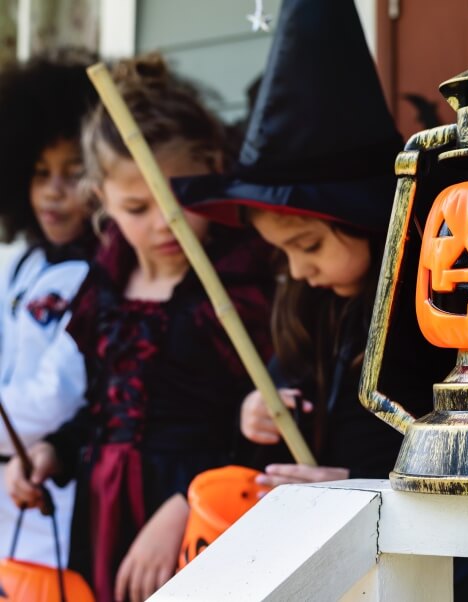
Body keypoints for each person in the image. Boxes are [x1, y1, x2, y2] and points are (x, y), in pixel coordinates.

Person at [6, 54, 273, 602]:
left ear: (213, 169)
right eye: (136, 206)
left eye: (182, 199)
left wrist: (180, 506)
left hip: (200, 515)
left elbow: (260, 422)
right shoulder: (103, 289)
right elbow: (105, 408)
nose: (163, 223)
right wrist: (53, 449)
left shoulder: (235, 288)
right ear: (100, 202)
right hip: (104, 510)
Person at [174, 0, 450, 488]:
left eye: (308, 246)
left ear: (369, 222)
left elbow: (461, 457)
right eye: (284, 253)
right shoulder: (309, 308)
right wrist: (256, 416)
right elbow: (279, 429)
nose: (298, 271)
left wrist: (352, 482)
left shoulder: (439, 316)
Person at [0, 49, 98, 568]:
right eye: (40, 173)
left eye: (72, 173)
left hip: (52, 485)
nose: (53, 192)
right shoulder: (25, 263)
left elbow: (57, 395)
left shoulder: (95, 275)